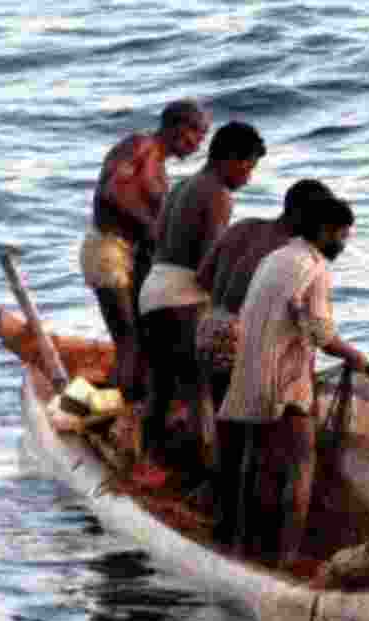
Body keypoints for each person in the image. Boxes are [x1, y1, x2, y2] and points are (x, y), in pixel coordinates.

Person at [217, 192, 369, 566]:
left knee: (258, 466)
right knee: (301, 465)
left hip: (249, 377)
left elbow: (292, 316)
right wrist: (353, 356)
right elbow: (320, 332)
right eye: (341, 235)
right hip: (283, 384)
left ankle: (242, 548)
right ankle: (287, 557)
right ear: (323, 231)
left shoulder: (276, 258)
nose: (343, 243)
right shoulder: (314, 268)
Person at [134, 121, 265, 482]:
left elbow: (158, 241)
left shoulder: (182, 185)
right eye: (248, 167)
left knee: (160, 385)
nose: (248, 177)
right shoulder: (218, 193)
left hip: (154, 290)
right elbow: (211, 266)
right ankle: (203, 475)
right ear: (227, 158)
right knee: (199, 390)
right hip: (182, 297)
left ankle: (147, 461)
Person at [78, 99, 210, 405]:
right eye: (197, 135)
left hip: (132, 256)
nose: (197, 145)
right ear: (177, 127)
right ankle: (108, 412)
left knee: (142, 339)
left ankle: (122, 402)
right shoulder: (140, 146)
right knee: (129, 341)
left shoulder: (160, 169)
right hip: (108, 250)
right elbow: (109, 191)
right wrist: (150, 225)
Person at [195, 178, 334, 408]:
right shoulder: (291, 251)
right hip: (241, 339)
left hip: (210, 328)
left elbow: (203, 278)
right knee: (261, 422)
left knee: (225, 416)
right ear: (301, 214)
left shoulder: (243, 227)